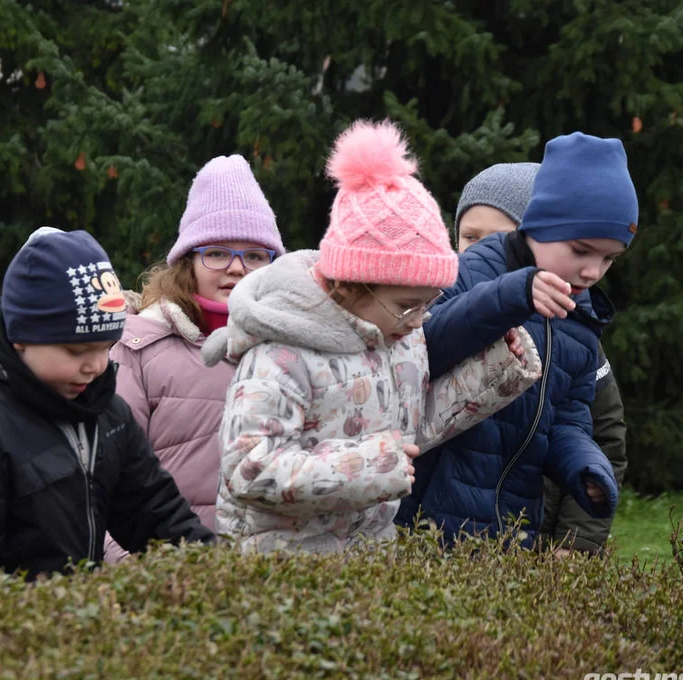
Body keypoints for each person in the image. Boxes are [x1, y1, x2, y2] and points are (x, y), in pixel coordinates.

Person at [201, 120, 542, 554]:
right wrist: (374, 466)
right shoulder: (280, 354)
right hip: (279, 573)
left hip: (368, 564)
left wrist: (492, 375)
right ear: (351, 284)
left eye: (428, 303)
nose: (419, 320)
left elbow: (409, 433)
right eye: (406, 305)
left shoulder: (400, 338)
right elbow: (248, 469)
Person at [0, 228, 214, 608]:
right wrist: (64, 618)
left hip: (69, 642)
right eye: (76, 350)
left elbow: (159, 517)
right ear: (21, 337)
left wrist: (219, 574)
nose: (97, 366)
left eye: (106, 347)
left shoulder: (107, 415)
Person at [397, 132, 635, 547]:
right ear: (540, 226)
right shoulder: (474, 269)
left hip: (510, 533)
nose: (593, 271)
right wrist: (512, 295)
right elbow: (422, 345)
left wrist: (586, 468)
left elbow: (567, 420)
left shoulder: (579, 321)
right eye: (581, 250)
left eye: (609, 258)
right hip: (425, 522)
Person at [106, 155, 286, 562]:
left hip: (273, 578)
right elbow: (106, 480)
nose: (238, 269)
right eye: (218, 253)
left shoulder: (294, 349)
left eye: (256, 255)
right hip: (167, 581)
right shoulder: (138, 347)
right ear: (188, 260)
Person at [453, 163, 628, 554]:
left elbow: (601, 437)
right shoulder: (445, 301)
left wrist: (576, 541)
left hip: (531, 533)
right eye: (470, 236)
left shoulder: (576, 333)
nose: (482, 249)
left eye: (497, 238)